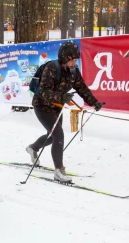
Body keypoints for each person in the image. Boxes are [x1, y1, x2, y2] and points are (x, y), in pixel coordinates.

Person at [26, 41, 103, 183]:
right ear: (64, 58)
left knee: (53, 136)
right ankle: (59, 171)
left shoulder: (74, 71)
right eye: (72, 60)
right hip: (42, 105)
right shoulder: (51, 68)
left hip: (56, 106)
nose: (74, 63)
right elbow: (44, 91)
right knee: (58, 134)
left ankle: (32, 148)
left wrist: (94, 102)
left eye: (75, 60)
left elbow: (82, 88)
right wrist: (61, 97)